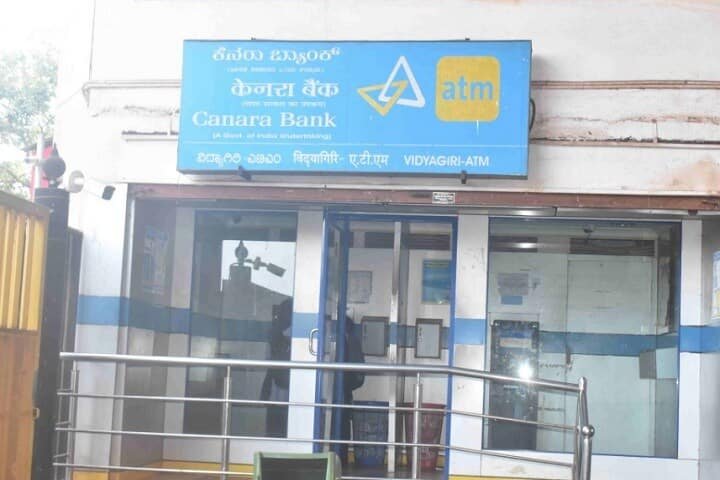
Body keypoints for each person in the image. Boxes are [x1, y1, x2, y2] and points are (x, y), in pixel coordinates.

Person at [260, 298, 292, 437]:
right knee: (286, 428)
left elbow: (267, 359)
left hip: (275, 386)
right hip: (287, 387)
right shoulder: (293, 332)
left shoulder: (274, 331)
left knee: (274, 429)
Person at [338, 319, 365, 466]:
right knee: (344, 422)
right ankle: (342, 456)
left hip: (343, 387)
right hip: (347, 388)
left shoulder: (346, 341)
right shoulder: (352, 341)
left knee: (341, 421)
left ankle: (340, 456)